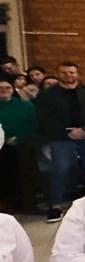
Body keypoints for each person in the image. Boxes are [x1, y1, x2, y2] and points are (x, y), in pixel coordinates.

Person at [36, 62, 85, 222]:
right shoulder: (47, 96)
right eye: (64, 73)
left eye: (72, 72)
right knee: (60, 170)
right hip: (61, 138)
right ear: (58, 74)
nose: (68, 76)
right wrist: (66, 132)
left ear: (77, 74)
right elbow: (44, 118)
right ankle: (56, 205)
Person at [0, 78, 39, 213]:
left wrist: (19, 137)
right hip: (1, 147)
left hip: (23, 145)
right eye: (1, 88)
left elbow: (33, 124)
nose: (4, 91)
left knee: (26, 175)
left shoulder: (25, 105)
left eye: (7, 88)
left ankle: (29, 205)